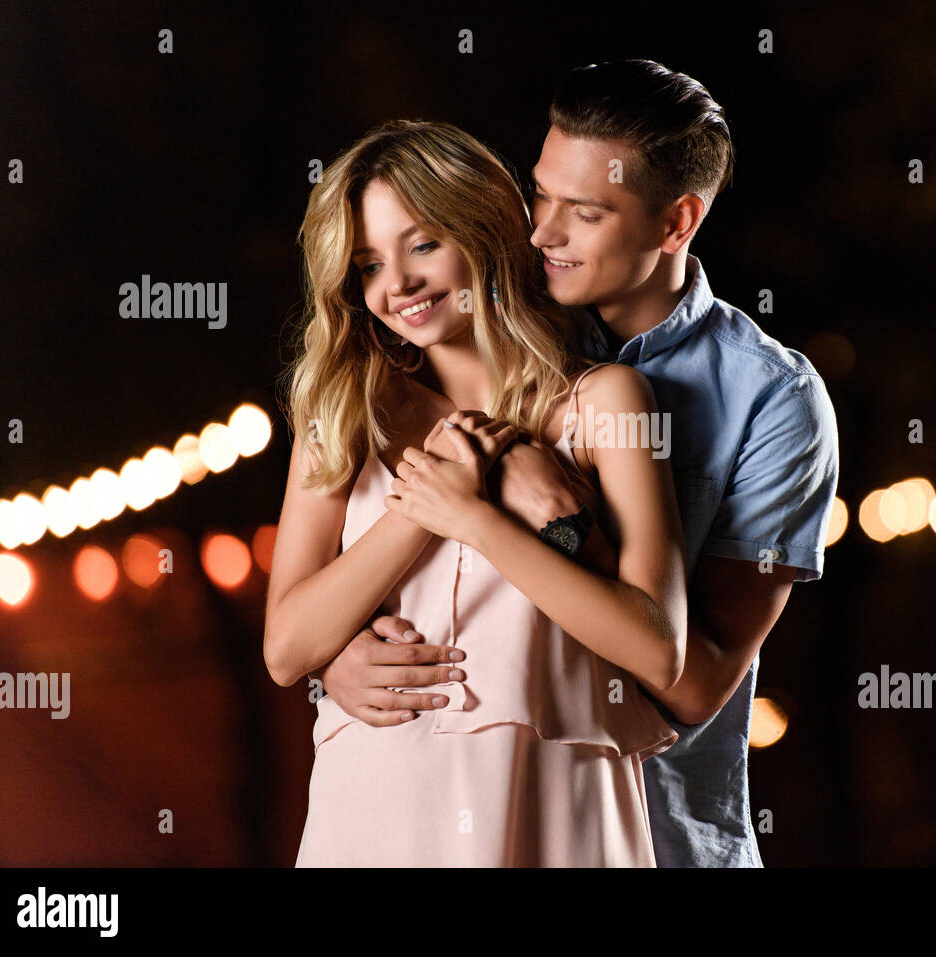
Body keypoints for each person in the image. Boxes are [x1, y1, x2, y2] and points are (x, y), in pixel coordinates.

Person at [317, 61, 841, 867]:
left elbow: (696, 684)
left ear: (677, 223)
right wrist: (339, 654)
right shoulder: (489, 325)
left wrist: (568, 528)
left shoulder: (771, 399)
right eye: (541, 196)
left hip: (661, 831)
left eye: (584, 212)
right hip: (462, 815)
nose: (541, 234)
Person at [264, 118, 689, 866]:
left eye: (423, 244)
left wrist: (484, 520)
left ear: (485, 231)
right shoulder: (342, 413)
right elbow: (287, 646)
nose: (397, 285)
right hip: (377, 807)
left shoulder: (607, 404)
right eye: (367, 265)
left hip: (556, 800)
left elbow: (658, 652)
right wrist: (428, 508)